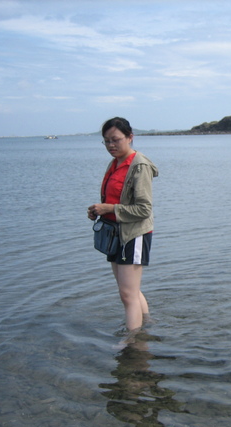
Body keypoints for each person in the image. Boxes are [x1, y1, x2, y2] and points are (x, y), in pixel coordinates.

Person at [88, 117, 159, 334]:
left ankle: (132, 341)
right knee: (130, 291)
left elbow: (144, 209)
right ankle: (145, 325)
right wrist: (98, 211)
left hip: (134, 234)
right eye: (106, 141)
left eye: (116, 140)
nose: (111, 145)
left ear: (130, 137)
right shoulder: (115, 163)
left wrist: (109, 209)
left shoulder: (139, 166)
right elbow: (115, 198)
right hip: (115, 233)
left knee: (127, 294)